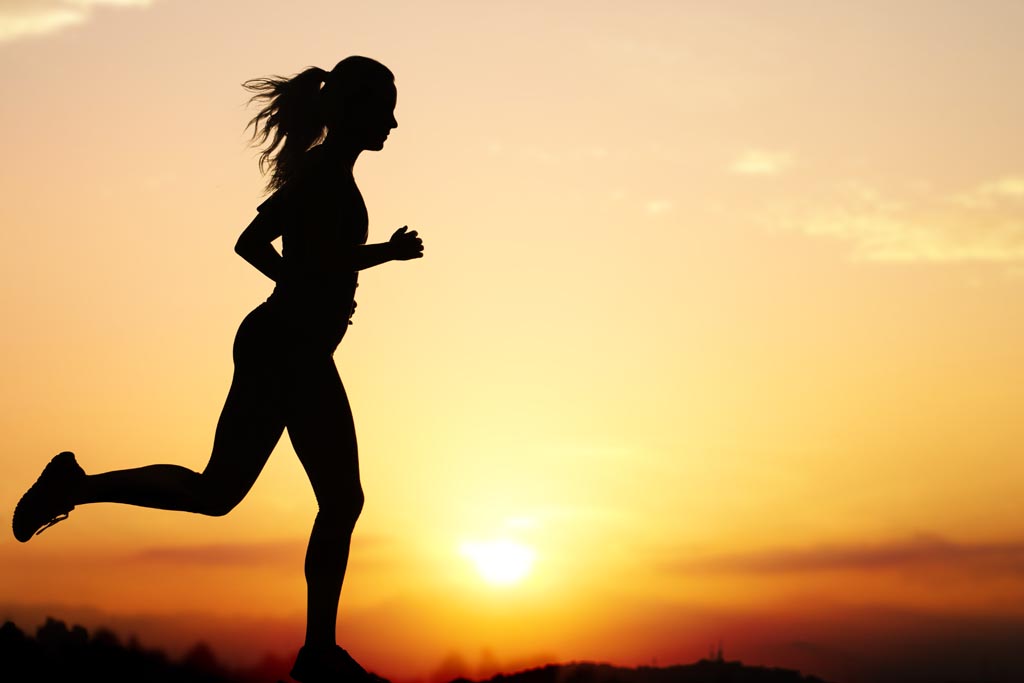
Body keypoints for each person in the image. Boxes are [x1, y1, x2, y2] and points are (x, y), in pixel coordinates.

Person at [11, 55, 422, 683]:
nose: (394, 121)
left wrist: (315, 287)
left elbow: (256, 245)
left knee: (221, 493)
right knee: (338, 498)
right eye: (384, 106)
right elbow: (307, 258)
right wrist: (372, 261)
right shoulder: (325, 179)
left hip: (284, 343)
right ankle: (317, 654)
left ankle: (74, 486)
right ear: (354, 111)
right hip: (289, 351)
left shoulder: (324, 174)